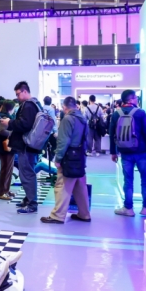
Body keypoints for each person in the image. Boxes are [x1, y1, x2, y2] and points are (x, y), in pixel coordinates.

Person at [110, 89, 146, 218]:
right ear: (131, 99)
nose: (137, 99)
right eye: (136, 97)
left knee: (128, 181)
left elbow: (112, 134)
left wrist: (113, 152)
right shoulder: (140, 113)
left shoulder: (116, 114)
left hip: (125, 153)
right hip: (142, 152)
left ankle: (128, 208)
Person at [42, 96, 91, 224]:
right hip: (80, 156)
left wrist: (58, 158)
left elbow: (63, 141)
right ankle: (84, 214)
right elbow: (86, 139)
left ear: (64, 107)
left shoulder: (67, 119)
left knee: (62, 185)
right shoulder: (83, 118)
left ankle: (57, 215)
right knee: (80, 186)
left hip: (69, 157)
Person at [0, 81, 43, 214]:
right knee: (27, 173)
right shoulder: (35, 104)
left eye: (18, 94)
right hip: (31, 145)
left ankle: (32, 203)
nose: (17, 97)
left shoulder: (28, 105)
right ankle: (28, 199)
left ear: (25, 91)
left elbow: (25, 124)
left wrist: (9, 122)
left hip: (26, 146)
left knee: (27, 174)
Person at [0, 101, 16, 200]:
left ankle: (6, 190)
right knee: (5, 170)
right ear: (11, 108)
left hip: (6, 147)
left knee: (8, 170)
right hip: (5, 147)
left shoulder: (4, 116)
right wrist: (13, 133)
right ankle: (2, 192)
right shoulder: (5, 117)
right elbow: (2, 131)